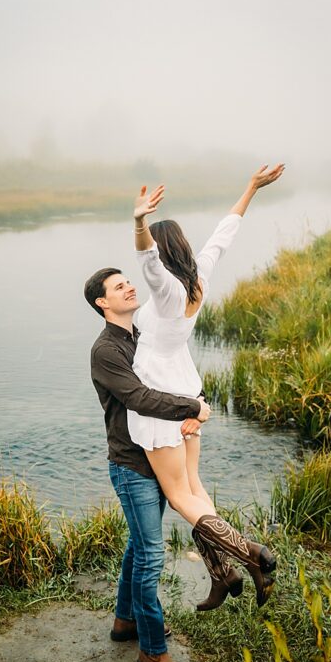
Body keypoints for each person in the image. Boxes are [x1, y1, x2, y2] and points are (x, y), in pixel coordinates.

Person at [129, 166, 284, 611]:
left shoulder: (167, 292)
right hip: (188, 392)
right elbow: (223, 235)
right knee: (194, 487)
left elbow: (147, 261)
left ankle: (249, 553)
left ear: (163, 249)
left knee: (179, 497)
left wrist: (140, 223)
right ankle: (225, 575)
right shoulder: (199, 278)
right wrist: (250, 187)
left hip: (161, 399)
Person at [85, 267, 211, 662]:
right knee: (152, 556)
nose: (129, 286)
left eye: (128, 281)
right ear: (102, 303)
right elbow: (139, 398)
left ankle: (125, 623)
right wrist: (190, 408)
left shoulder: (143, 336)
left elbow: (174, 374)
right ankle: (152, 654)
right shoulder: (106, 351)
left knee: (139, 546)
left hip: (160, 457)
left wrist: (196, 400)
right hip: (132, 466)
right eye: (118, 286)